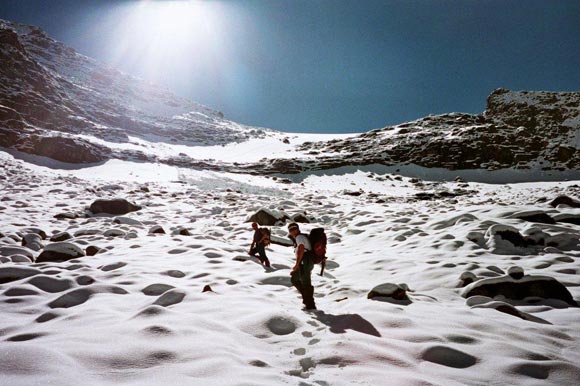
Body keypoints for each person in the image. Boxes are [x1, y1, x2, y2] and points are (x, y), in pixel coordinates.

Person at [288, 222, 316, 310]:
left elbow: (301, 249)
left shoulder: (299, 237)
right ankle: (307, 299)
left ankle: (310, 305)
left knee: (306, 282)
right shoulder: (300, 237)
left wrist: (296, 264)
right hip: (306, 261)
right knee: (294, 279)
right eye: (291, 230)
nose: (293, 231)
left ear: (298, 229)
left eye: (294, 229)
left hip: (305, 261)